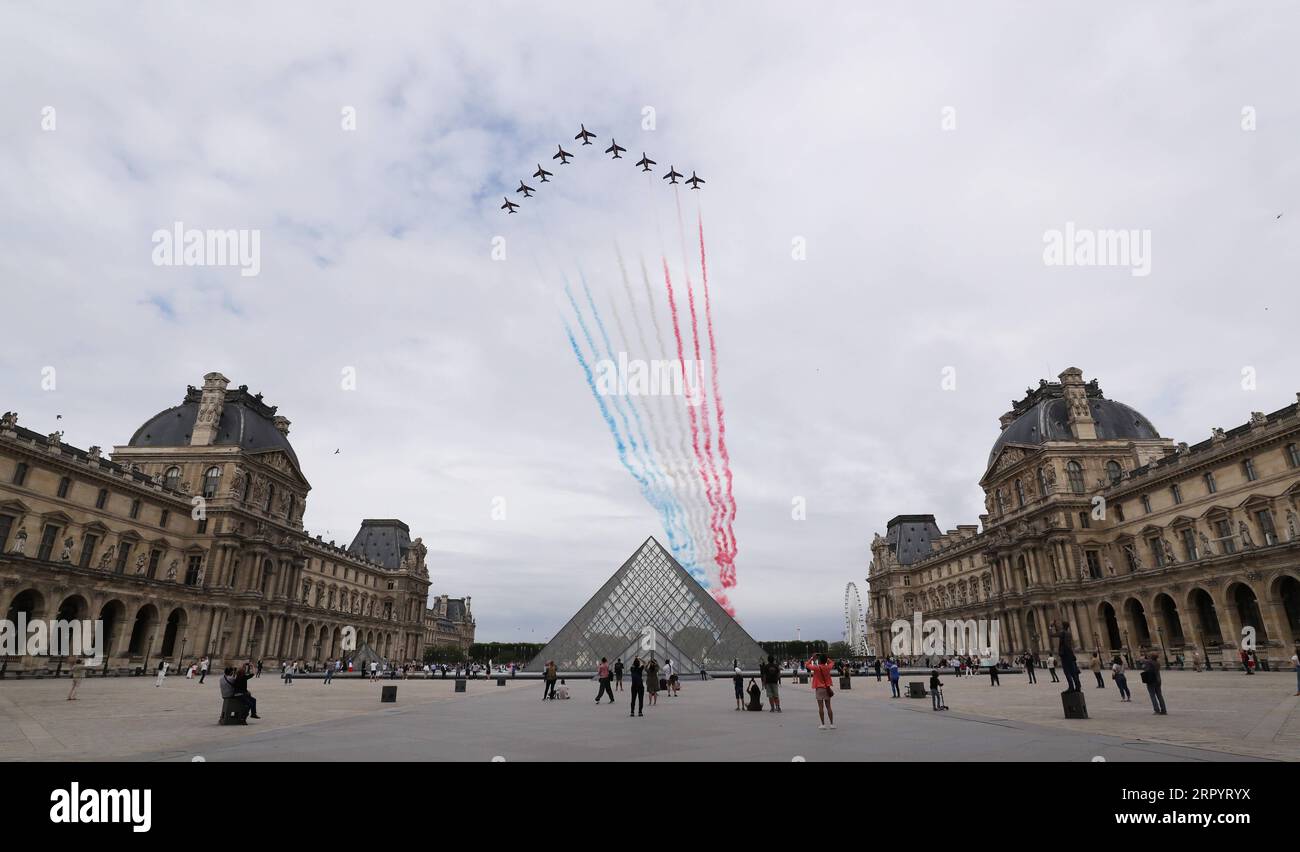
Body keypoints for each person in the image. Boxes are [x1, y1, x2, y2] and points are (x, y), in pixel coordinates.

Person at [807, 653, 835, 729]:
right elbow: (832, 663)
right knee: (829, 707)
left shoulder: (816, 668)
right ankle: (832, 724)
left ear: (819, 660)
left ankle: (823, 724)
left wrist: (812, 658)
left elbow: (807, 664)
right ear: (825, 660)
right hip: (827, 688)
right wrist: (827, 658)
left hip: (819, 689)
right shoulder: (828, 667)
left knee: (821, 707)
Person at [1057, 622, 1082, 692]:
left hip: (1065, 655)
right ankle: (1078, 686)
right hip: (1070, 655)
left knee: (1067, 672)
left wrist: (1050, 627)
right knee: (1073, 672)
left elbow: (1052, 635)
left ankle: (1071, 687)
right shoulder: (1069, 633)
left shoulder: (1062, 633)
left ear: (1063, 626)